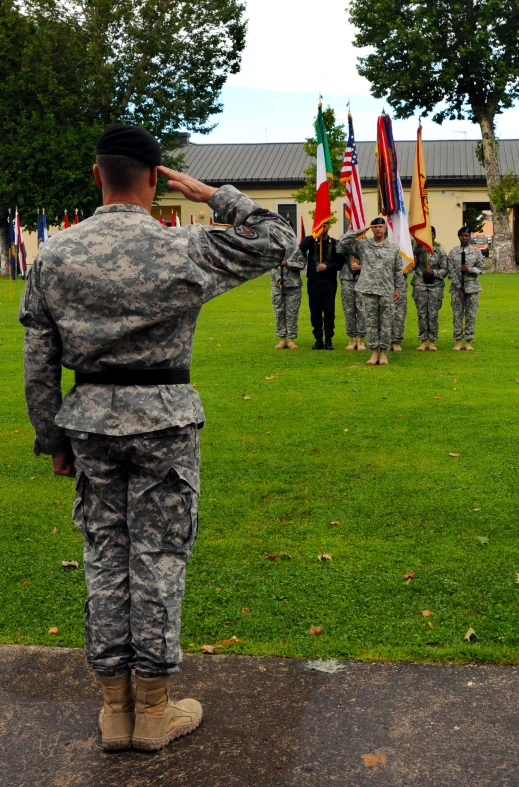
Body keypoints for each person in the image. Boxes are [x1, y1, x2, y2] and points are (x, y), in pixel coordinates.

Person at [19, 124, 296, 753]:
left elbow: (39, 362)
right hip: (164, 420)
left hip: (88, 422)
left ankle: (114, 710)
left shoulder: (55, 254)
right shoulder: (185, 248)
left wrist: (51, 439)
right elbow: (279, 239)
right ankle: (154, 708)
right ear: (154, 179)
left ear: (97, 177)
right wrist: (213, 194)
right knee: (159, 558)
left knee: (104, 557)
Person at [337, 218, 404, 365]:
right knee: (371, 323)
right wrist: (359, 232)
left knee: (386, 323)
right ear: (371, 229)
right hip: (368, 290)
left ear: (385, 228)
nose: (377, 229)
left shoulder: (392, 248)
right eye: (375, 227)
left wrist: (398, 289)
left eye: (380, 226)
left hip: (386, 290)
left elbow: (398, 270)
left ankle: (384, 353)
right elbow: (341, 245)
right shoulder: (363, 245)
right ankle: (374, 352)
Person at [299, 221, 344, 349]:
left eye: (326, 225)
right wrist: (314, 235)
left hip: (329, 283)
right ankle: (318, 339)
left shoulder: (334, 243)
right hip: (314, 283)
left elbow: (340, 263)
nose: (323, 228)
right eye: (321, 225)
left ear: (329, 227)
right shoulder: (311, 242)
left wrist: (328, 267)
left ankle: (329, 339)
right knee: (315, 312)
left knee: (329, 312)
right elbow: (301, 248)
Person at [447, 227, 485, 350]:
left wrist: (469, 269)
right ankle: (458, 341)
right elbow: (450, 271)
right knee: (457, 315)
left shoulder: (476, 252)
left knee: (470, 315)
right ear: (459, 237)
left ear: (470, 236)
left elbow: (481, 269)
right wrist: (458, 285)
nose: (465, 238)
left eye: (467, 236)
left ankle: (468, 341)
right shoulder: (453, 252)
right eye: (462, 236)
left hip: (472, 288)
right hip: (457, 289)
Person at [411, 227, 448, 351]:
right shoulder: (418, 250)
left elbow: (445, 270)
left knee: (432, 314)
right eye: (425, 234)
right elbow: (412, 265)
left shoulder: (440, 252)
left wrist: (434, 273)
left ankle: (432, 341)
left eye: (430, 234)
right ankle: (423, 340)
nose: (428, 236)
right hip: (420, 284)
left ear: (434, 236)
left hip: (435, 286)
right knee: (422, 314)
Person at [270, 248, 305, 349]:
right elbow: (271, 266)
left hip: (293, 285)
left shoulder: (296, 249)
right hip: (277, 286)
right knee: (279, 312)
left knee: (292, 313)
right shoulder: (274, 249)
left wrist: (288, 263)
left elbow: (302, 264)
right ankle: (282, 339)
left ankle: (291, 339)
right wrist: (278, 279)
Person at [339, 251, 366, 351]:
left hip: (362, 279)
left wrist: (360, 267)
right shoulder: (345, 243)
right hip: (347, 279)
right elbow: (339, 248)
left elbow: (372, 262)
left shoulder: (365, 243)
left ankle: (361, 339)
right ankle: (352, 338)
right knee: (348, 310)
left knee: (362, 310)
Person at [390, 268, 408, 352]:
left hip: (400, 284)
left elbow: (410, 265)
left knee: (399, 314)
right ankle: (385, 341)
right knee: (385, 312)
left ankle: (396, 341)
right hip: (384, 282)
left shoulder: (403, 254)